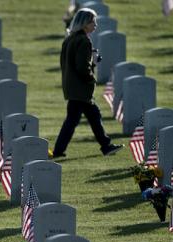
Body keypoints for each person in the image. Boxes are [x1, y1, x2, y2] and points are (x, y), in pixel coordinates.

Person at [52, 8, 123, 158]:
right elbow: (82, 67)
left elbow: (68, 64)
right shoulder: (84, 41)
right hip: (81, 89)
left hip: (72, 87)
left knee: (87, 117)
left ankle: (105, 146)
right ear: (85, 23)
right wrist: (92, 74)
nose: (95, 25)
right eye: (93, 21)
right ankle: (105, 146)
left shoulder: (69, 39)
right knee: (81, 119)